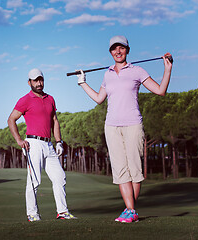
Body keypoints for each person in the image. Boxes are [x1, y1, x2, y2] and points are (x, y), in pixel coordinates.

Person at [77, 35, 173, 223]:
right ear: (110, 52)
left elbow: (160, 90)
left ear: (127, 50)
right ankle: (131, 212)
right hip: (111, 127)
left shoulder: (137, 71)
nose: (118, 51)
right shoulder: (108, 74)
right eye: (114, 49)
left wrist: (167, 69)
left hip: (133, 125)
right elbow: (98, 98)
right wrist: (82, 83)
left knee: (134, 170)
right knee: (120, 171)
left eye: (121, 48)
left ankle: (130, 211)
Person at [8, 68, 77, 222]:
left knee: (60, 177)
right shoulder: (25, 99)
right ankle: (32, 214)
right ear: (29, 82)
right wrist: (19, 140)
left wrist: (59, 141)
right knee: (34, 180)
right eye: (35, 80)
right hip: (33, 144)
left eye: (41, 80)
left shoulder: (50, 99)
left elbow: (54, 121)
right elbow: (11, 119)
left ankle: (62, 212)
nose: (39, 83)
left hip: (49, 145)